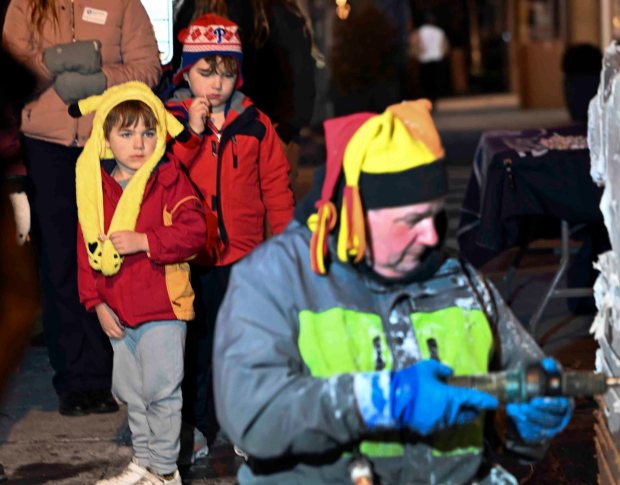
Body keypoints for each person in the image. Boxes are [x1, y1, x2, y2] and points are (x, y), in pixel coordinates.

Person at [212, 100, 573, 484]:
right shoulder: (277, 279)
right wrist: (384, 399)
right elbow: (250, 415)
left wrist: (528, 423)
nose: (433, 236)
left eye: (434, 215)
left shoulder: (461, 284)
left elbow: (515, 408)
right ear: (354, 213)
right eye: (411, 221)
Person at [2, 0, 162, 416]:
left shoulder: (123, 3)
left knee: (108, 262)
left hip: (107, 149)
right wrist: (52, 63)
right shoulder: (27, 4)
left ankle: (108, 375)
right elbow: (10, 76)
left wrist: (101, 78)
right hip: (45, 149)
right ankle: (74, 381)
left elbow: (148, 67)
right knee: (59, 267)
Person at [165, 12, 294, 462]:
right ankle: (197, 425)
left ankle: (246, 423)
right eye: (205, 73)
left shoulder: (255, 122)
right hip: (190, 256)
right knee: (195, 348)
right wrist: (192, 135)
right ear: (186, 72)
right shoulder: (170, 120)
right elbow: (162, 177)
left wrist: (283, 244)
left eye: (226, 73)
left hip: (244, 255)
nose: (216, 84)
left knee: (243, 345)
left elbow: (275, 186)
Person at [74, 81, 207, 485]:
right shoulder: (97, 188)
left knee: (162, 393)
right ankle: (144, 462)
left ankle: (165, 471)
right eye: (126, 133)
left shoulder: (169, 179)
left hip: (163, 308)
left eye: (149, 132)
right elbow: (85, 246)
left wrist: (144, 241)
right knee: (132, 394)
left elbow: (195, 232)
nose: (139, 143)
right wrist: (96, 302)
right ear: (105, 139)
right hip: (119, 310)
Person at [410, 12, 449, 105]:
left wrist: (416, 56)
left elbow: (414, 46)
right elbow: (445, 46)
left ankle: (426, 100)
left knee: (425, 83)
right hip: (436, 59)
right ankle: (434, 99)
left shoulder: (419, 31)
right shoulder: (439, 31)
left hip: (424, 60)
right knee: (435, 82)